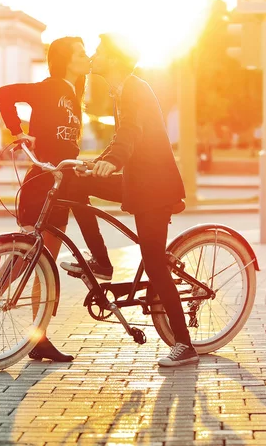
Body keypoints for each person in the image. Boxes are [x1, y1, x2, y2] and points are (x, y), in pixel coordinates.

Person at [61, 33, 199, 367]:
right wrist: (98, 164)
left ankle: (185, 345)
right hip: (138, 182)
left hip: (154, 188)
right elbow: (123, 136)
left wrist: (115, 160)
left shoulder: (135, 89)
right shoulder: (122, 89)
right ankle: (102, 263)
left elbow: (131, 132)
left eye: (99, 51)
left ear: (115, 59)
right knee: (74, 185)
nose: (94, 55)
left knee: (154, 263)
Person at [0, 36, 90, 362]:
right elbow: (4, 95)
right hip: (41, 186)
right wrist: (16, 131)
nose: (85, 56)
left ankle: (39, 338)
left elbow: (65, 146)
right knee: (21, 263)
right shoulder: (50, 87)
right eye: (81, 52)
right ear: (66, 59)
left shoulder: (74, 95)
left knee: (43, 268)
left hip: (61, 188)